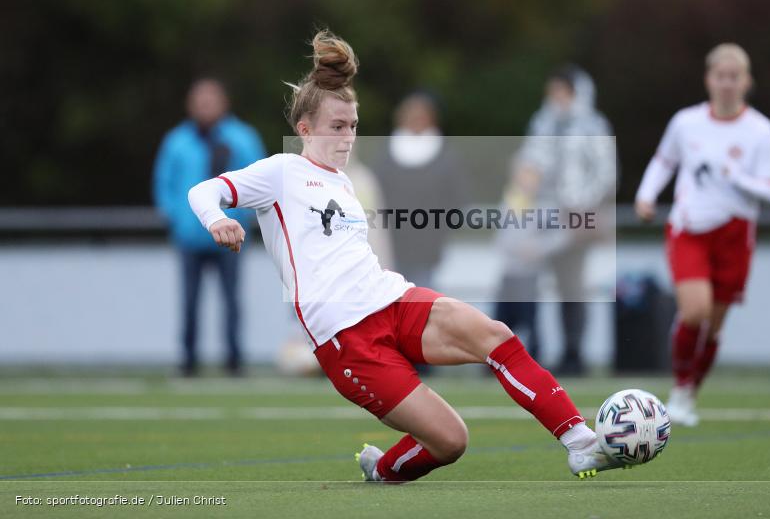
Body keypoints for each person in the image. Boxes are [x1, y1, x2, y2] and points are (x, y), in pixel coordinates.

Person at [187, 30, 624, 482]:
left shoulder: (345, 182)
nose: (348, 136)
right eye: (337, 127)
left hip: (392, 300)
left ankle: (581, 443)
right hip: (346, 339)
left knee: (495, 335)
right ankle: (381, 470)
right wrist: (217, 219)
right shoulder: (281, 172)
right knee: (452, 440)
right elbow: (205, 190)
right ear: (304, 130)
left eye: (353, 126)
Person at [634, 43, 770, 426]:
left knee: (714, 325)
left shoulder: (761, 131)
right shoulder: (686, 123)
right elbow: (664, 160)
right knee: (695, 310)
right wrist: (646, 195)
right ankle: (680, 385)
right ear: (708, 79)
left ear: (746, 82)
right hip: (691, 227)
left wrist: (736, 177)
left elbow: (769, 190)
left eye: (735, 77)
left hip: (735, 233)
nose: (727, 84)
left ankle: (689, 392)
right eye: (720, 76)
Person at [495, 66, 617, 374]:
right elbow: (527, 170)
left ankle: (573, 352)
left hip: (576, 219)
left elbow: (606, 175)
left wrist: (583, 206)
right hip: (539, 217)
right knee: (522, 281)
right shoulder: (542, 123)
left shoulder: (593, 126)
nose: (556, 98)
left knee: (571, 287)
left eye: (562, 91)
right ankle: (523, 350)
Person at [153, 78, 265, 377]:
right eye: (200, 101)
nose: (205, 106)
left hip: (231, 237)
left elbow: (259, 181)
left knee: (232, 301)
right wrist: (177, 217)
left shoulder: (243, 138)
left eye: (211, 100)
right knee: (189, 301)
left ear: (224, 103)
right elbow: (164, 184)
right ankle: (188, 360)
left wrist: (241, 219)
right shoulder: (176, 141)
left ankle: (234, 359)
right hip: (190, 237)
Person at [371, 91, 467, 289]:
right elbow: (375, 194)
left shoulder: (445, 156)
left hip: (428, 246)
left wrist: (441, 228)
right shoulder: (386, 154)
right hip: (392, 243)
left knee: (422, 300)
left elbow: (457, 198)